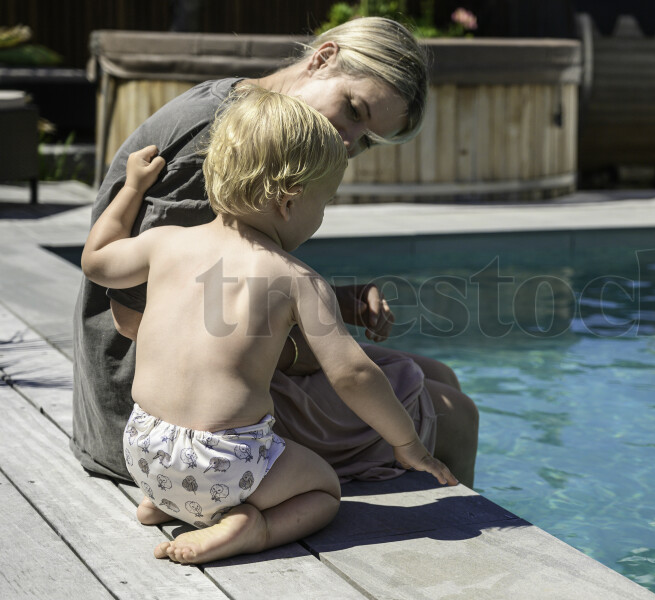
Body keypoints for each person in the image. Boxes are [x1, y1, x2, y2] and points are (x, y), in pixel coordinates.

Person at [71, 17, 478, 487]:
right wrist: (300, 343)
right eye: (353, 110)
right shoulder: (218, 142)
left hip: (174, 412)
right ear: (323, 58)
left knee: (439, 377)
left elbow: (220, 269)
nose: (348, 142)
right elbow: (138, 319)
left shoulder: (246, 116)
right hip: (163, 421)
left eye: (366, 139)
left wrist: (328, 302)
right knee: (454, 416)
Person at [81, 87, 457, 564]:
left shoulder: (165, 244)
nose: (320, 218)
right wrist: (408, 445)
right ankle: (251, 528)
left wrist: (132, 188)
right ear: (288, 202)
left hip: (141, 451)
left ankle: (171, 500)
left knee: (197, 448)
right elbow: (353, 375)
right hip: (221, 469)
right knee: (323, 488)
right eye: (324, 204)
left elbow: (96, 261)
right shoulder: (297, 279)